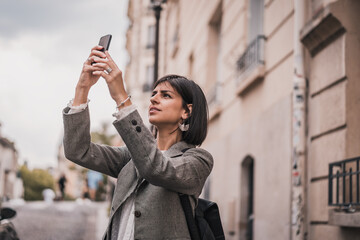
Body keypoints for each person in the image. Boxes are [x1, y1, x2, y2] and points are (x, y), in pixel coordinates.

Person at [62, 45, 213, 239]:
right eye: (153, 94)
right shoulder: (130, 156)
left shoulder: (198, 160)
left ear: (187, 111)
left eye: (165, 95)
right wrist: (82, 88)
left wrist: (121, 98)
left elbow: (156, 168)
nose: (154, 100)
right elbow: (78, 150)